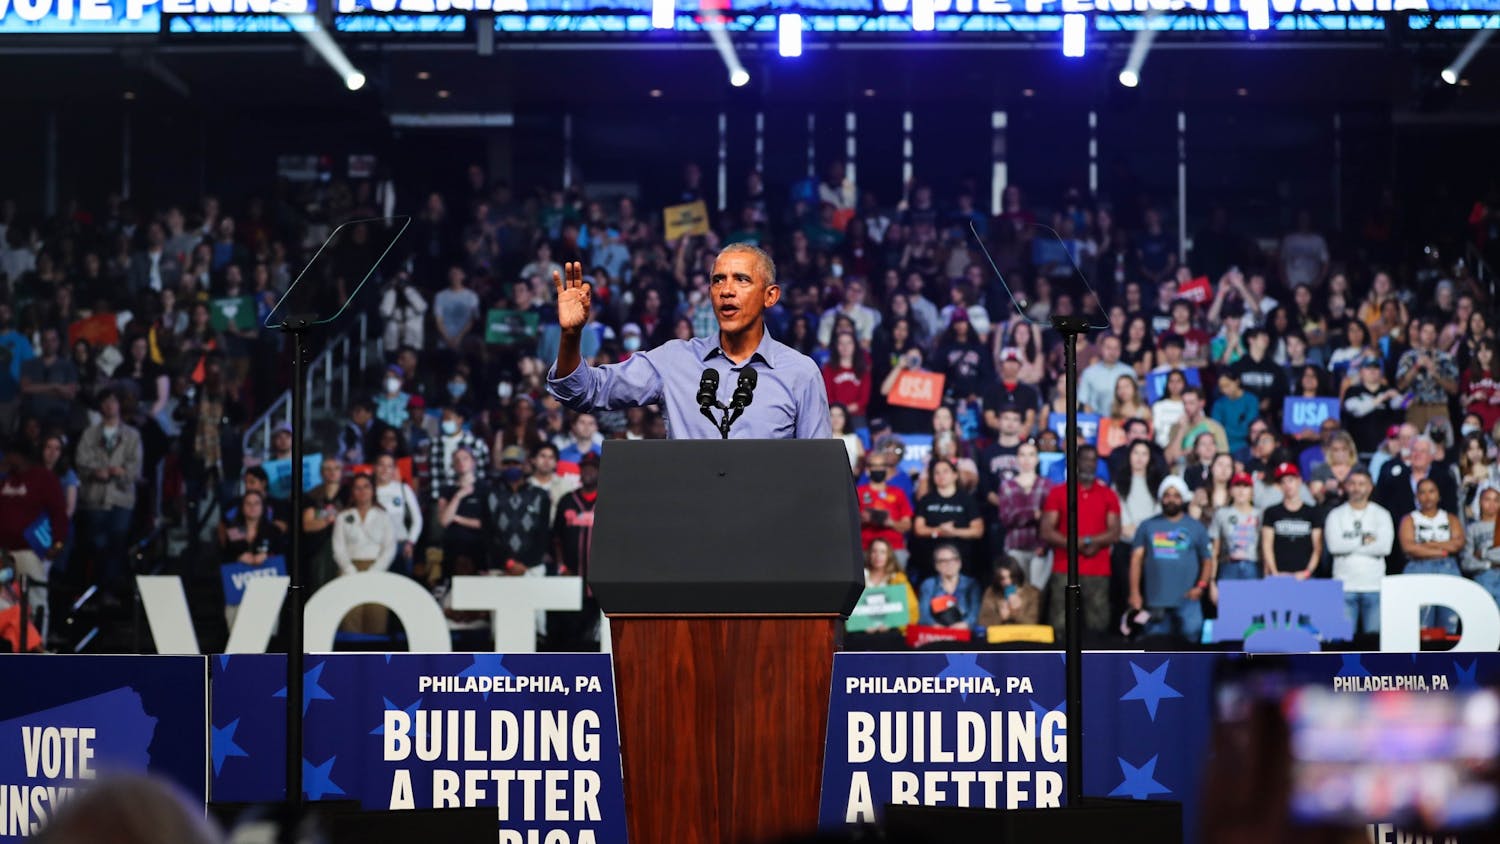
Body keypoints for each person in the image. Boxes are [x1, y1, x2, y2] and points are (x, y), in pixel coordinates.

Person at [548, 250, 831, 439]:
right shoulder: (674, 360)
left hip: (768, 526)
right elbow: (584, 392)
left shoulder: (800, 373)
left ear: (770, 296)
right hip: (687, 524)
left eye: (742, 279)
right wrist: (572, 336)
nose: (727, 291)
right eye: (718, 280)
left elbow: (818, 472)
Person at [1039, 444, 1121, 636]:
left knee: (1098, 624)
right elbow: (1046, 530)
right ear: (1075, 462)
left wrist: (1089, 541)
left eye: (1093, 460)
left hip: (1098, 569)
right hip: (1064, 567)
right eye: (1084, 459)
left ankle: (1095, 665)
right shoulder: (1058, 492)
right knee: (1060, 623)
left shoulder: (1108, 494)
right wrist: (1077, 545)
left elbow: (1115, 532)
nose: (1088, 465)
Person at [73, 389, 142, 600]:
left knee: (117, 544)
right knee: (96, 544)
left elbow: (135, 469)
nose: (110, 406)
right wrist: (97, 471)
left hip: (121, 499)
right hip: (94, 498)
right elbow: (81, 462)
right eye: (106, 402)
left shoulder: (132, 435)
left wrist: (119, 472)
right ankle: (94, 590)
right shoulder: (89, 434)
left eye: (113, 401)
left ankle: (109, 591)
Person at [1129, 476, 1213, 642]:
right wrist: (1134, 593)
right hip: (1155, 601)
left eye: (1176, 495)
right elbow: (1136, 559)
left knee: (1190, 651)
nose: (1171, 499)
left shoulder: (1196, 527)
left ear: (1183, 499)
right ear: (1161, 498)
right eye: (1167, 495)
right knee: (1156, 651)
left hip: (1188, 600)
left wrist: (1201, 587)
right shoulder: (1147, 526)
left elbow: (1207, 560)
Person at [0, 439, 68, 634]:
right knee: (4, 602)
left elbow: (58, 512)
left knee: (36, 597)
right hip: (3, 553)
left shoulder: (43, 478)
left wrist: (58, 542)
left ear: (19, 456)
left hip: (29, 551)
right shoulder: (5, 479)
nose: (6, 459)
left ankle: (38, 645)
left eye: (9, 455)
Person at [1323, 469, 1394, 637]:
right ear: (1346, 486)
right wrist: (1366, 540)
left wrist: (1349, 544)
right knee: (1342, 643)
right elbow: (1335, 546)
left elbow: (1384, 547)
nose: (1357, 488)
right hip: (1344, 587)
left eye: (1362, 484)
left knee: (1374, 642)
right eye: (1353, 483)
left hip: (1374, 586)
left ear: (1370, 487)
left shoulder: (1382, 514)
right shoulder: (1335, 515)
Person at [1398, 477, 1467, 633]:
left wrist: (1428, 544)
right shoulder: (1409, 519)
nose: (1427, 496)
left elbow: (1458, 543)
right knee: (1422, 624)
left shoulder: (1450, 518)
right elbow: (1409, 547)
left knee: (1449, 619)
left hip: (1447, 568)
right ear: (1417, 496)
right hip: (1418, 569)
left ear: (1438, 495)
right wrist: (1442, 550)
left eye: (1431, 491)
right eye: (1422, 492)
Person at [552, 451, 602, 648]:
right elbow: (555, 538)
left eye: (593, 467)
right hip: (572, 578)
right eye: (585, 468)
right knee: (570, 634)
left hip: (600, 581)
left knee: (596, 637)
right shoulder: (567, 500)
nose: (588, 471)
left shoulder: (609, 500)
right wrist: (561, 566)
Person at [911, 458, 984, 582]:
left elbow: (978, 531)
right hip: (931, 559)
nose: (941, 476)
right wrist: (939, 530)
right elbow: (918, 529)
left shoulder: (967, 500)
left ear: (955, 475)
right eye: (937, 472)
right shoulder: (926, 500)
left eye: (945, 471)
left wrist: (953, 532)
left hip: (962, 558)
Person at [995, 440, 1052, 591]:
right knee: (1014, 590)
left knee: (1036, 593)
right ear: (1017, 459)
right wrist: (1033, 514)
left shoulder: (1047, 485)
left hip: (1040, 547)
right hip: (1015, 546)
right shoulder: (1006, 486)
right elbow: (1006, 518)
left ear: (1037, 459)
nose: (1027, 459)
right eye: (1023, 455)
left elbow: (1051, 520)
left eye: (1031, 455)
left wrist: (1044, 544)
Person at [1396, 318, 1459, 434]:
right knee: (1413, 444)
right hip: (1415, 407)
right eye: (1425, 332)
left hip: (1438, 407)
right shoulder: (1408, 357)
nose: (1428, 336)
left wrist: (1435, 373)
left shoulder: (1447, 358)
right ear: (1419, 333)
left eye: (1432, 332)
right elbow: (1400, 385)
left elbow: (1454, 389)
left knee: (1440, 444)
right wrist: (1416, 367)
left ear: (1437, 335)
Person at [1261, 463, 1322, 578]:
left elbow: (1317, 547)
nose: (1287, 485)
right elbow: (1267, 545)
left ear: (1299, 481)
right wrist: (1275, 573)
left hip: (1305, 576)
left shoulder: (1312, 512)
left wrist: (1307, 572)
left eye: (1290, 480)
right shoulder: (1271, 512)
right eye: (1282, 482)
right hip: (1278, 575)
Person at [437, 448, 490, 580]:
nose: (461, 462)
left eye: (465, 458)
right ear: (453, 465)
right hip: (453, 548)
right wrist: (458, 496)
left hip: (478, 547)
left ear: (473, 462)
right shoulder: (446, 490)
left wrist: (457, 518)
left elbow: (486, 523)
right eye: (457, 460)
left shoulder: (485, 488)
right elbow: (444, 521)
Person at [857, 450, 914, 562]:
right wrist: (864, 519)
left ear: (887, 469)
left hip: (894, 547)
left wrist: (890, 522)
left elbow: (907, 525)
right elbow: (848, 523)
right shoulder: (858, 492)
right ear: (868, 470)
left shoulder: (898, 493)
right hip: (866, 547)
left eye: (882, 466)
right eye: (875, 466)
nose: (878, 469)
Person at [426, 405, 490, 501]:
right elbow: (433, 473)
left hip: (469, 497)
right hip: (440, 498)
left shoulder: (475, 443)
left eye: (448, 419)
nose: (444, 422)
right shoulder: (435, 444)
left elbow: (482, 472)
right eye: (443, 419)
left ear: (460, 420)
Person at [1210, 472, 1262, 589]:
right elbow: (1215, 550)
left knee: (1253, 606)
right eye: (1237, 486)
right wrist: (1212, 581)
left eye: (1245, 486)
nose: (1241, 490)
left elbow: (1265, 547)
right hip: (1228, 566)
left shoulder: (1260, 514)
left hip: (1253, 566)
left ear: (1252, 491)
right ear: (1231, 490)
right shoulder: (1221, 513)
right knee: (1229, 606)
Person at [373, 453, 422, 577]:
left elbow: (417, 519)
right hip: (375, 547)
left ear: (394, 469)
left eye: (389, 466)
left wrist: (411, 542)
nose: (385, 470)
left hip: (400, 545)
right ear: (375, 467)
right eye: (381, 465)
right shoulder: (367, 490)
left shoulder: (402, 488)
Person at [917, 543, 981, 630]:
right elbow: (923, 614)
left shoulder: (971, 584)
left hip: (965, 632)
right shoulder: (928, 584)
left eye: (953, 560)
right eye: (943, 561)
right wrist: (934, 625)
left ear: (959, 563)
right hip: (936, 633)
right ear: (936, 566)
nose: (949, 564)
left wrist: (965, 624)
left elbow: (975, 612)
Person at [859, 537, 919, 631]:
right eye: (874, 551)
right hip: (860, 632)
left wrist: (892, 624)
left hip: (892, 632)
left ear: (889, 556)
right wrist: (861, 625)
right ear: (869, 554)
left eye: (883, 552)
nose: (878, 556)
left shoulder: (898, 579)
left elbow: (912, 609)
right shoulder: (860, 577)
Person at [1079, 335, 1136, 416]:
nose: (1112, 352)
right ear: (1101, 349)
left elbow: (1135, 400)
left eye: (1116, 348)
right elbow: (1083, 401)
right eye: (1108, 348)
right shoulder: (1089, 373)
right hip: (1096, 420)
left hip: (1123, 419)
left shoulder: (1129, 372)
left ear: (1121, 350)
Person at [978, 555, 1043, 627]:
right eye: (1002, 578)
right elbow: (983, 623)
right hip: (1000, 636)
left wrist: (1014, 614)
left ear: (1017, 574)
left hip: (1024, 636)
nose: (1008, 582)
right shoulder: (991, 592)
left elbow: (1033, 623)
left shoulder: (1032, 592)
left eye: (1011, 577)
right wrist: (1001, 617)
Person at [1463, 488, 1500, 608]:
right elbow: (1466, 562)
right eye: (1487, 499)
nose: (1492, 504)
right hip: (1483, 577)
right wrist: (1488, 565)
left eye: (1496, 500)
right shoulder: (1472, 528)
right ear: (1480, 502)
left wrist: (1483, 554)